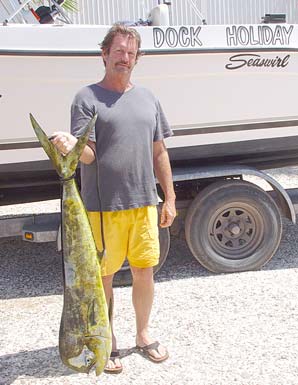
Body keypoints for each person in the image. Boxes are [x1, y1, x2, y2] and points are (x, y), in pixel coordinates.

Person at [51, 23, 176, 374]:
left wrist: (169, 198)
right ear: (104, 54)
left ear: (137, 58)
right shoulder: (86, 98)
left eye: (130, 52)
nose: (124, 58)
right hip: (101, 209)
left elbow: (159, 152)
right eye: (118, 51)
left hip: (144, 204)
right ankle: (109, 340)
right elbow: (87, 155)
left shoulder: (148, 98)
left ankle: (143, 333)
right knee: (102, 278)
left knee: (144, 272)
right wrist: (72, 147)